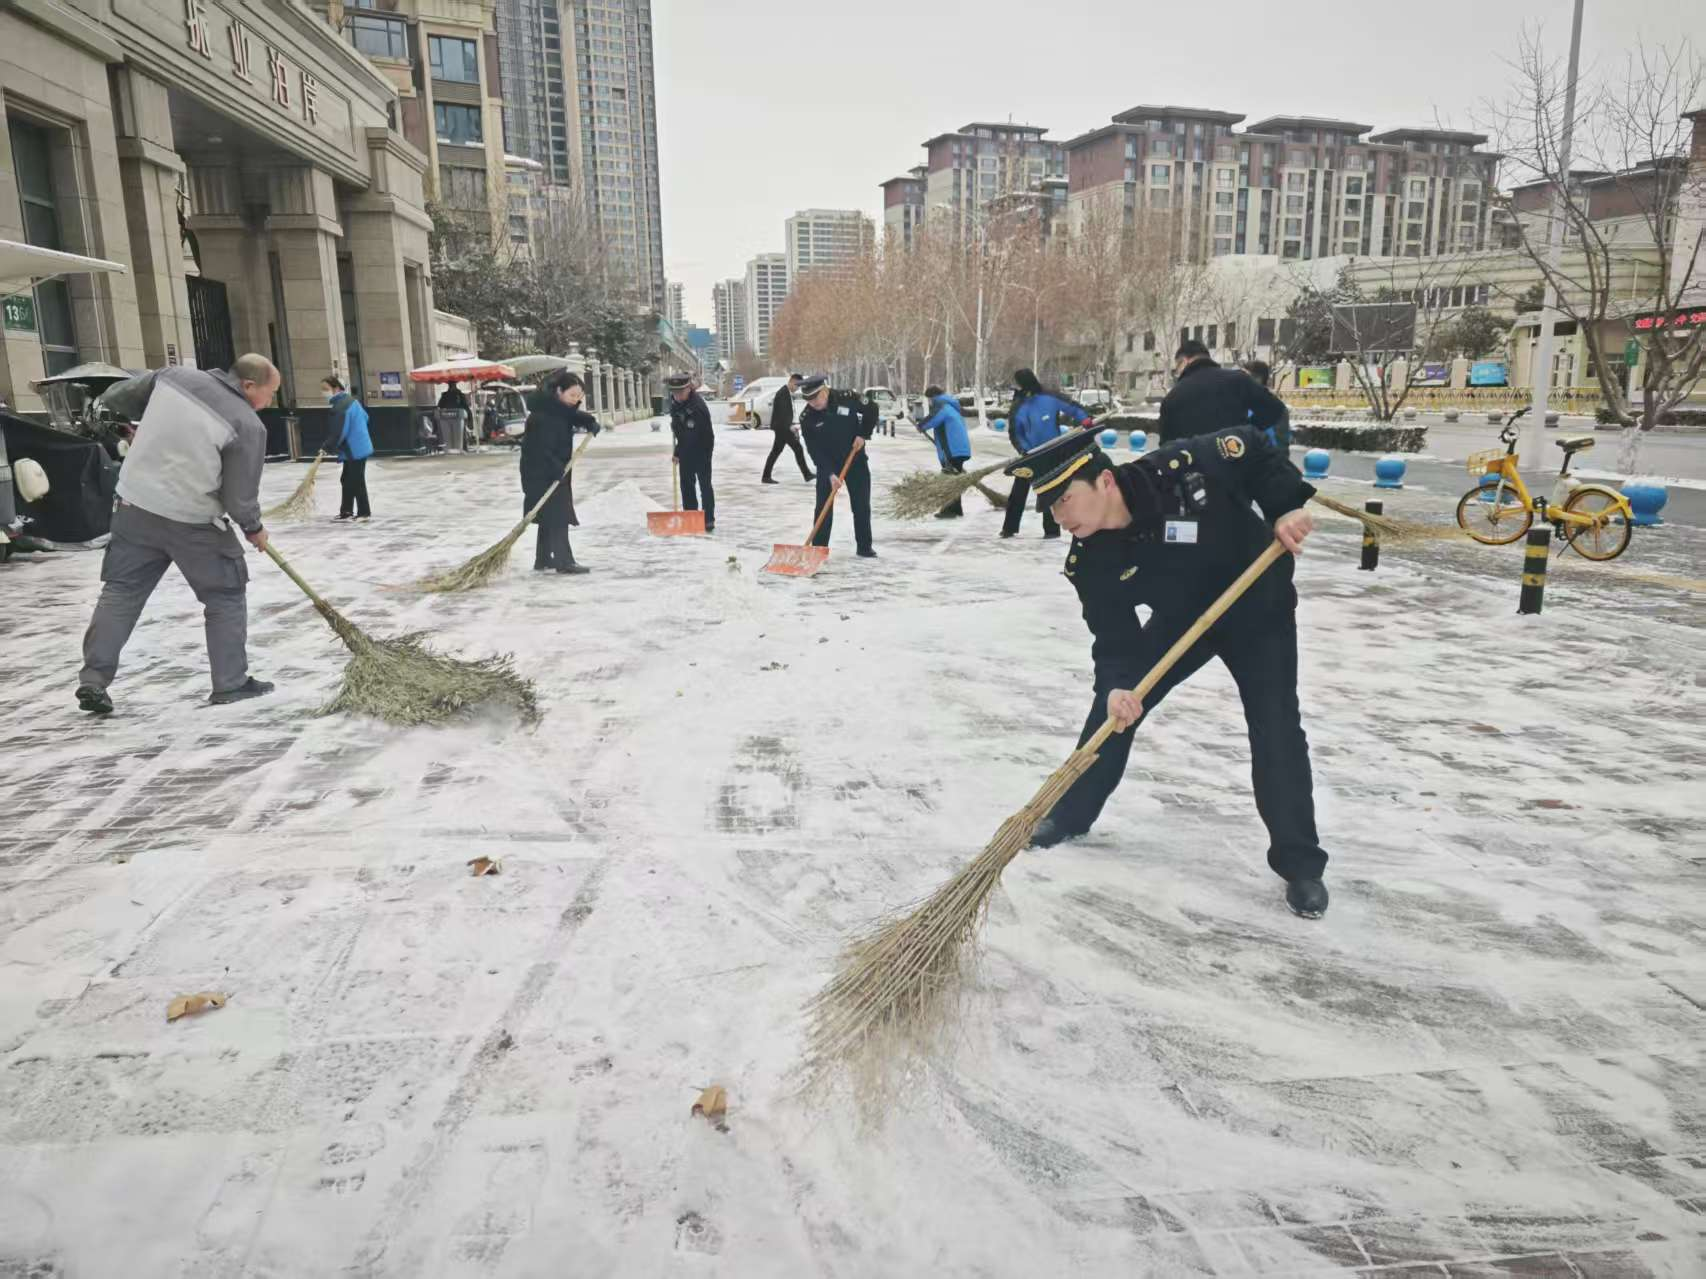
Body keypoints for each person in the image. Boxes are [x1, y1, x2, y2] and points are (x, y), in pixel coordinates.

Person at [1001, 424, 1331, 920]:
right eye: (1051, 508)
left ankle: (1301, 865)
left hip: (1256, 608)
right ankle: (1069, 815)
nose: (1060, 517)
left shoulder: (1179, 469)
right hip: (1183, 622)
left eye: (1065, 500)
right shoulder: (1089, 558)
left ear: (1105, 482)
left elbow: (1253, 446)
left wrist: (1284, 505)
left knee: (1276, 725)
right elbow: (1113, 637)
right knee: (1112, 711)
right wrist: (1117, 686)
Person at [75, 354, 281, 715]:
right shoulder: (247, 425)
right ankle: (230, 683)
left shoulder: (173, 377)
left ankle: (93, 679)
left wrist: (139, 423)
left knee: (121, 593)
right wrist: (254, 528)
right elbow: (239, 496)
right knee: (225, 595)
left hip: (134, 506)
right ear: (249, 385)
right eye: (271, 393)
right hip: (194, 520)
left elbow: (117, 397)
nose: (270, 401)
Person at [520, 369, 599, 574]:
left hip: (554, 469)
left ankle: (544, 559)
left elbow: (570, 415)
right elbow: (539, 448)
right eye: (572, 395)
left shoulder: (557, 408)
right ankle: (564, 561)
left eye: (579, 396)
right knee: (559, 514)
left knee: (549, 514)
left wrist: (589, 421)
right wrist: (555, 468)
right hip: (541, 472)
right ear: (559, 391)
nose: (576, 400)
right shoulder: (543, 416)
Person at [1003, 368, 1091, 540]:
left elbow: (1072, 408)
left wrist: (1085, 419)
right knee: (1018, 492)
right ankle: (1009, 528)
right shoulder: (1018, 406)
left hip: (1053, 452)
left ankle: (1051, 531)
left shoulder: (1049, 397)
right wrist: (1024, 449)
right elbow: (1016, 433)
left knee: (1051, 491)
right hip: (1030, 456)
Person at [797, 375, 877, 557]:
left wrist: (863, 434)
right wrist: (829, 473)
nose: (813, 403)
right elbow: (814, 450)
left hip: (854, 459)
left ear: (825, 390)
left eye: (816, 398)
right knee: (823, 507)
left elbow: (872, 408)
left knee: (861, 505)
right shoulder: (807, 418)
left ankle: (864, 547)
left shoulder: (847, 397)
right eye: (809, 400)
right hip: (828, 465)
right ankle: (818, 550)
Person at [1159, 339, 1288, 446]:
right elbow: (1275, 409)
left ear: (1184, 361)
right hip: (1236, 460)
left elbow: (1166, 447)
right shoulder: (1239, 380)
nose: (1177, 373)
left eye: (1177, 368)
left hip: (1193, 466)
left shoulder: (1172, 397)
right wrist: (1247, 430)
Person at [667, 372, 715, 532]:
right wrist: (678, 452)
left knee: (704, 485)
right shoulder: (675, 404)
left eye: (680, 392)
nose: (677, 395)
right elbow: (681, 434)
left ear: (689, 388)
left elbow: (693, 435)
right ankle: (691, 516)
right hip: (686, 447)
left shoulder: (698, 407)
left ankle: (708, 519)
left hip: (702, 448)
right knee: (686, 485)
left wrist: (680, 452)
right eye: (674, 392)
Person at [322, 376, 373, 522]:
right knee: (347, 479)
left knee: (356, 480)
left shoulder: (341, 407)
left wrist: (327, 447)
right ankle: (346, 511)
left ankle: (364, 513)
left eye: (325, 389)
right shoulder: (351, 401)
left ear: (336, 388)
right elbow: (366, 417)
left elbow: (339, 432)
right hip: (358, 446)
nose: (323, 392)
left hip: (354, 449)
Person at [916, 385, 971, 518]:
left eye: (929, 399)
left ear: (933, 396)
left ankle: (949, 510)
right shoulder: (950, 405)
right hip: (959, 449)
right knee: (954, 479)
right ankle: (956, 509)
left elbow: (933, 418)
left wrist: (921, 426)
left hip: (952, 449)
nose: (929, 402)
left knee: (949, 479)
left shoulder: (942, 405)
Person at [761, 372, 814, 484]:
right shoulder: (783, 393)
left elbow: (787, 413)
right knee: (798, 449)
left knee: (776, 451)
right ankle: (807, 474)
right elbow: (783, 414)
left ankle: (766, 476)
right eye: (797, 386)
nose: (797, 388)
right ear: (792, 382)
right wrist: (790, 427)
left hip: (783, 428)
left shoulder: (786, 392)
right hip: (783, 428)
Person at [1243, 360, 1293, 450]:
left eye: (1247, 377)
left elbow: (1278, 444)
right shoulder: (1248, 400)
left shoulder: (1271, 404)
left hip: (1269, 454)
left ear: (1259, 378)